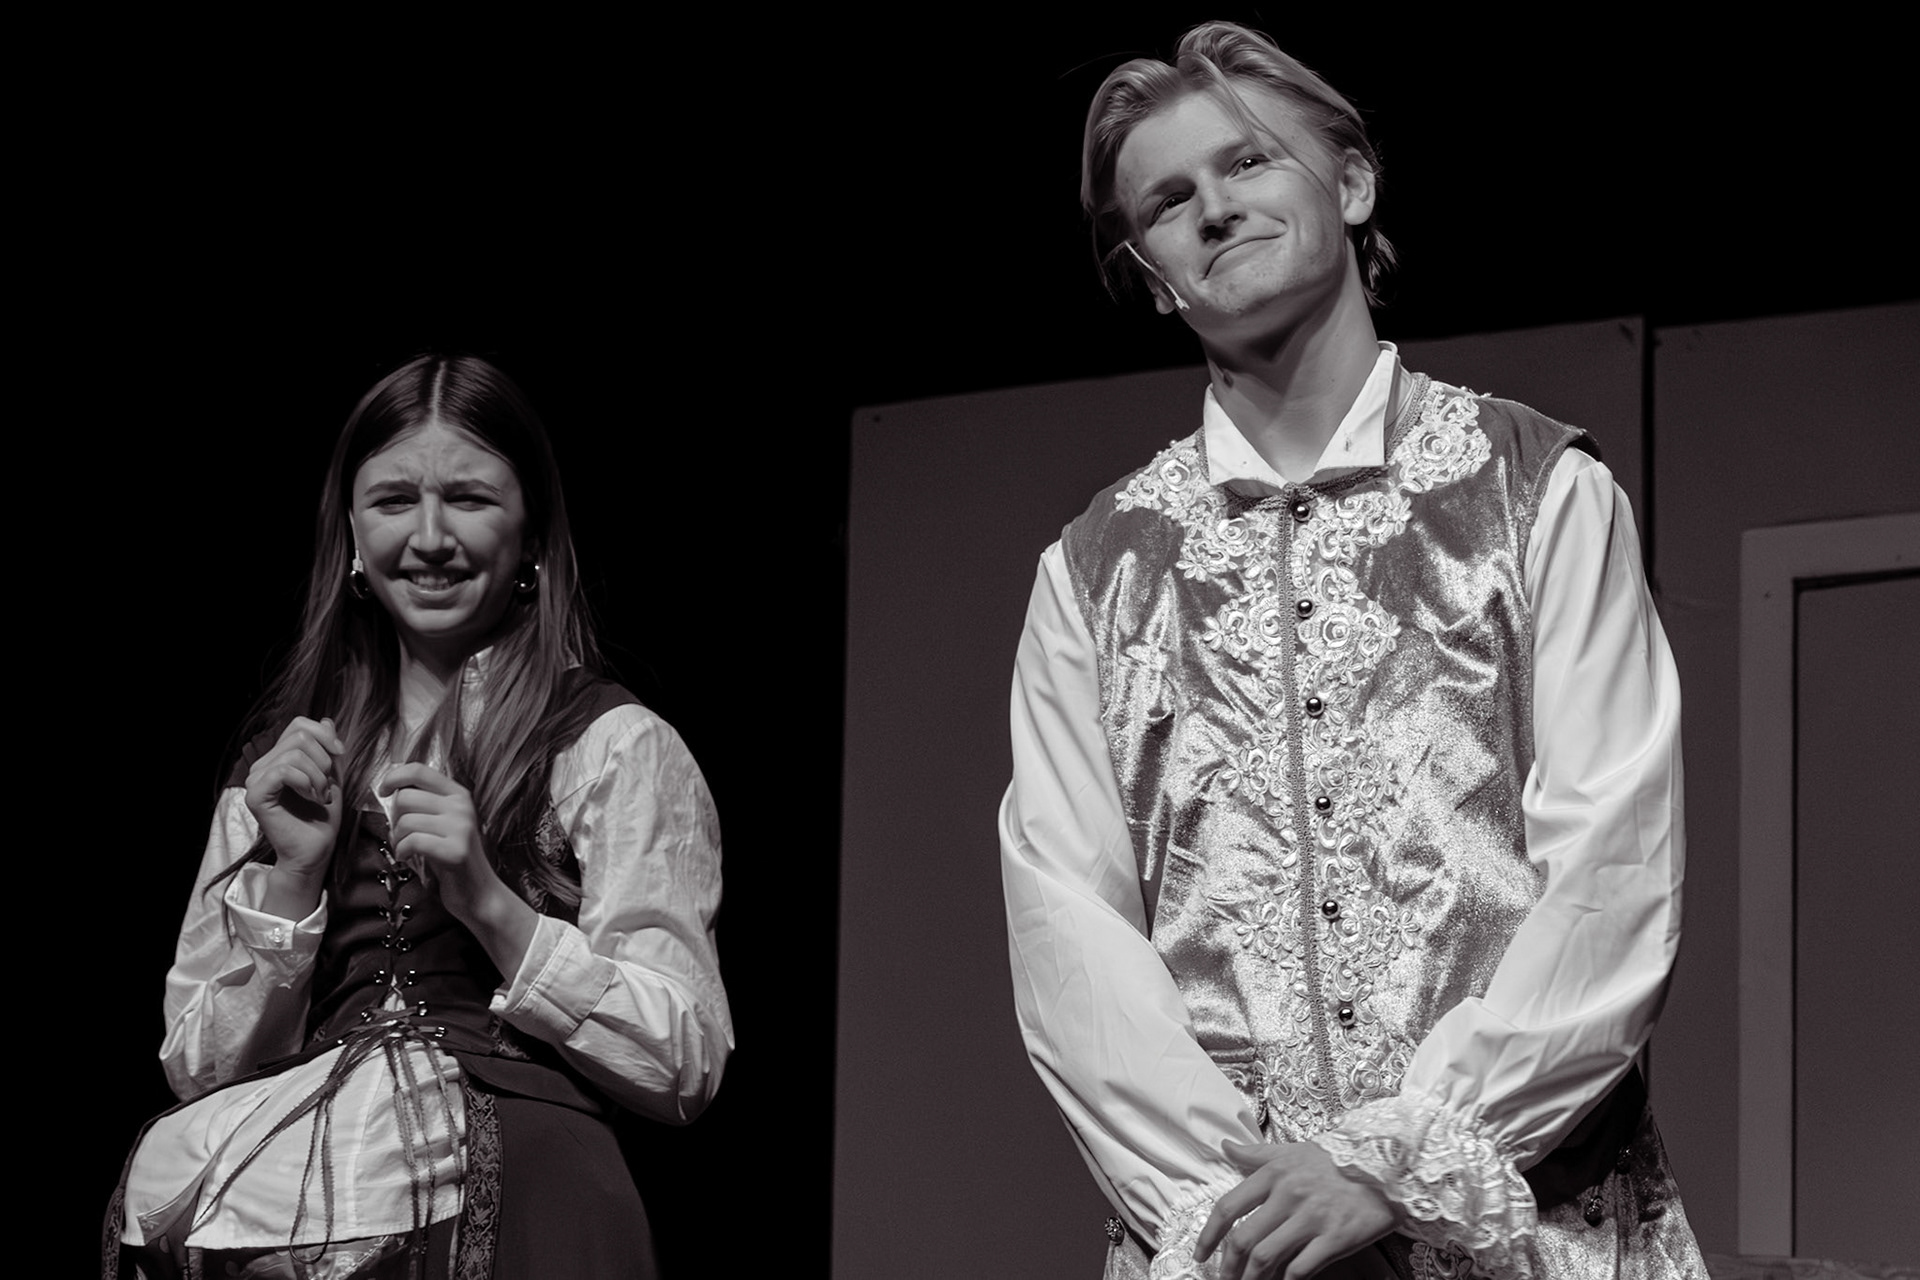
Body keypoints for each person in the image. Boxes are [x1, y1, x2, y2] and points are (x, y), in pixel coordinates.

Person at [999, 22, 1704, 1280]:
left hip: (1524, 1227)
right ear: (1151, 275)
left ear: (1354, 183)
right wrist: (1247, 1212)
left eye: (1248, 162)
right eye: (1168, 201)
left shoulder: (1536, 491)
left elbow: (1615, 867)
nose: (1215, 209)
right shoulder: (1095, 572)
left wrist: (1396, 1163)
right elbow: (1071, 939)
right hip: (1238, 1251)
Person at [107, 354, 731, 1279]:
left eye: (469, 499)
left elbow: (683, 1061)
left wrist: (493, 908)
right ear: (353, 534)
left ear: (530, 532)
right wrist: (294, 881)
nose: (431, 537)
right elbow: (198, 1070)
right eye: (395, 500)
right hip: (313, 1198)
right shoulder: (282, 768)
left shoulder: (609, 744)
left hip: (526, 1204)